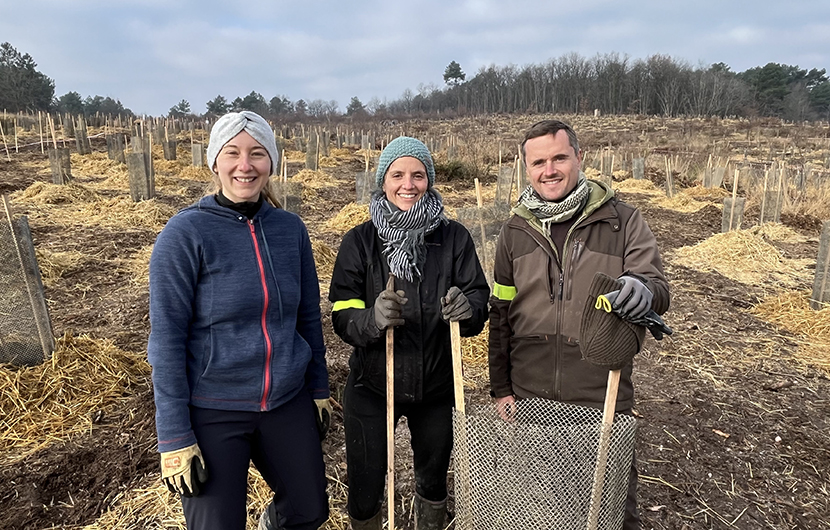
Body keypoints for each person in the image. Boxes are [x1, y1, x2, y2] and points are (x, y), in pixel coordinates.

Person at [148, 110, 330, 530]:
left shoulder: (290, 229)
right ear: (214, 161)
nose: (244, 165)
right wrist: (174, 435)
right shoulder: (185, 234)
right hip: (214, 406)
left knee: (309, 511)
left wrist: (317, 387)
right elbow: (167, 339)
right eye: (232, 152)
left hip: (285, 399)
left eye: (257, 154)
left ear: (272, 163)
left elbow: (307, 317)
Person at [487, 119, 670, 529]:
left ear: (579, 158)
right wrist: (500, 388)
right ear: (526, 168)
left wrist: (642, 288)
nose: (548, 170)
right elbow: (500, 315)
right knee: (537, 507)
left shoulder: (621, 222)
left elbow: (656, 284)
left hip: (599, 393)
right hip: (530, 395)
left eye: (558, 158)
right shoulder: (515, 231)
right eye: (538, 163)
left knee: (611, 508)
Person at [329, 137, 489, 530]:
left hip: (436, 387)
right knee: (366, 483)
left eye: (418, 175)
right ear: (383, 180)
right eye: (397, 174)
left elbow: (479, 296)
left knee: (433, 479)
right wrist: (372, 319)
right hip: (371, 386)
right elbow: (341, 311)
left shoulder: (453, 238)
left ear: (429, 181)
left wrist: (467, 310)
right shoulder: (361, 241)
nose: (408, 184)